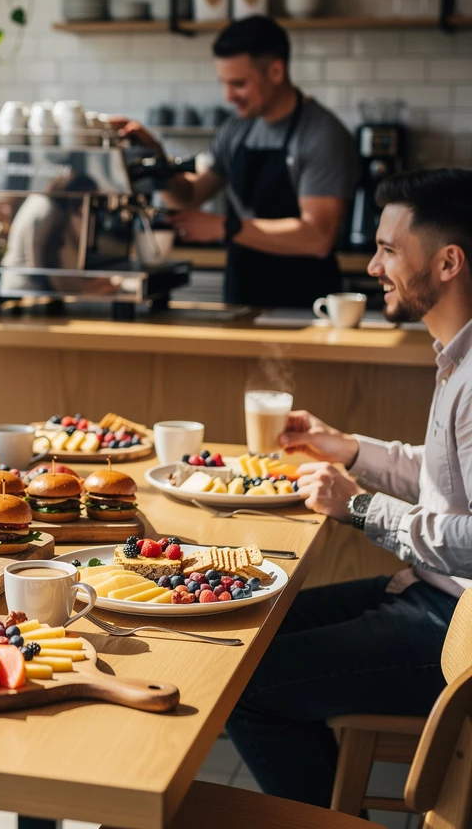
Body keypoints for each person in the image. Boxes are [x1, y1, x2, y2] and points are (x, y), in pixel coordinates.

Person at [225, 168, 472, 808]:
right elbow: (449, 481)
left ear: (448, 262)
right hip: (429, 594)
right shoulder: (457, 358)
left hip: (456, 630)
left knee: (245, 689)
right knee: (250, 633)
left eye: (389, 249)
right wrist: (350, 449)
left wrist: (359, 506)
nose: (372, 267)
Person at [117, 16, 359, 308]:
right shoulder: (236, 129)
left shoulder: (321, 134)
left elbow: (318, 237)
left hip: (305, 305)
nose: (228, 96)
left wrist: (225, 227)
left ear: (276, 71)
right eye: (224, 83)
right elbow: (189, 196)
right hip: (240, 296)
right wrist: (154, 155)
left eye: (239, 84)